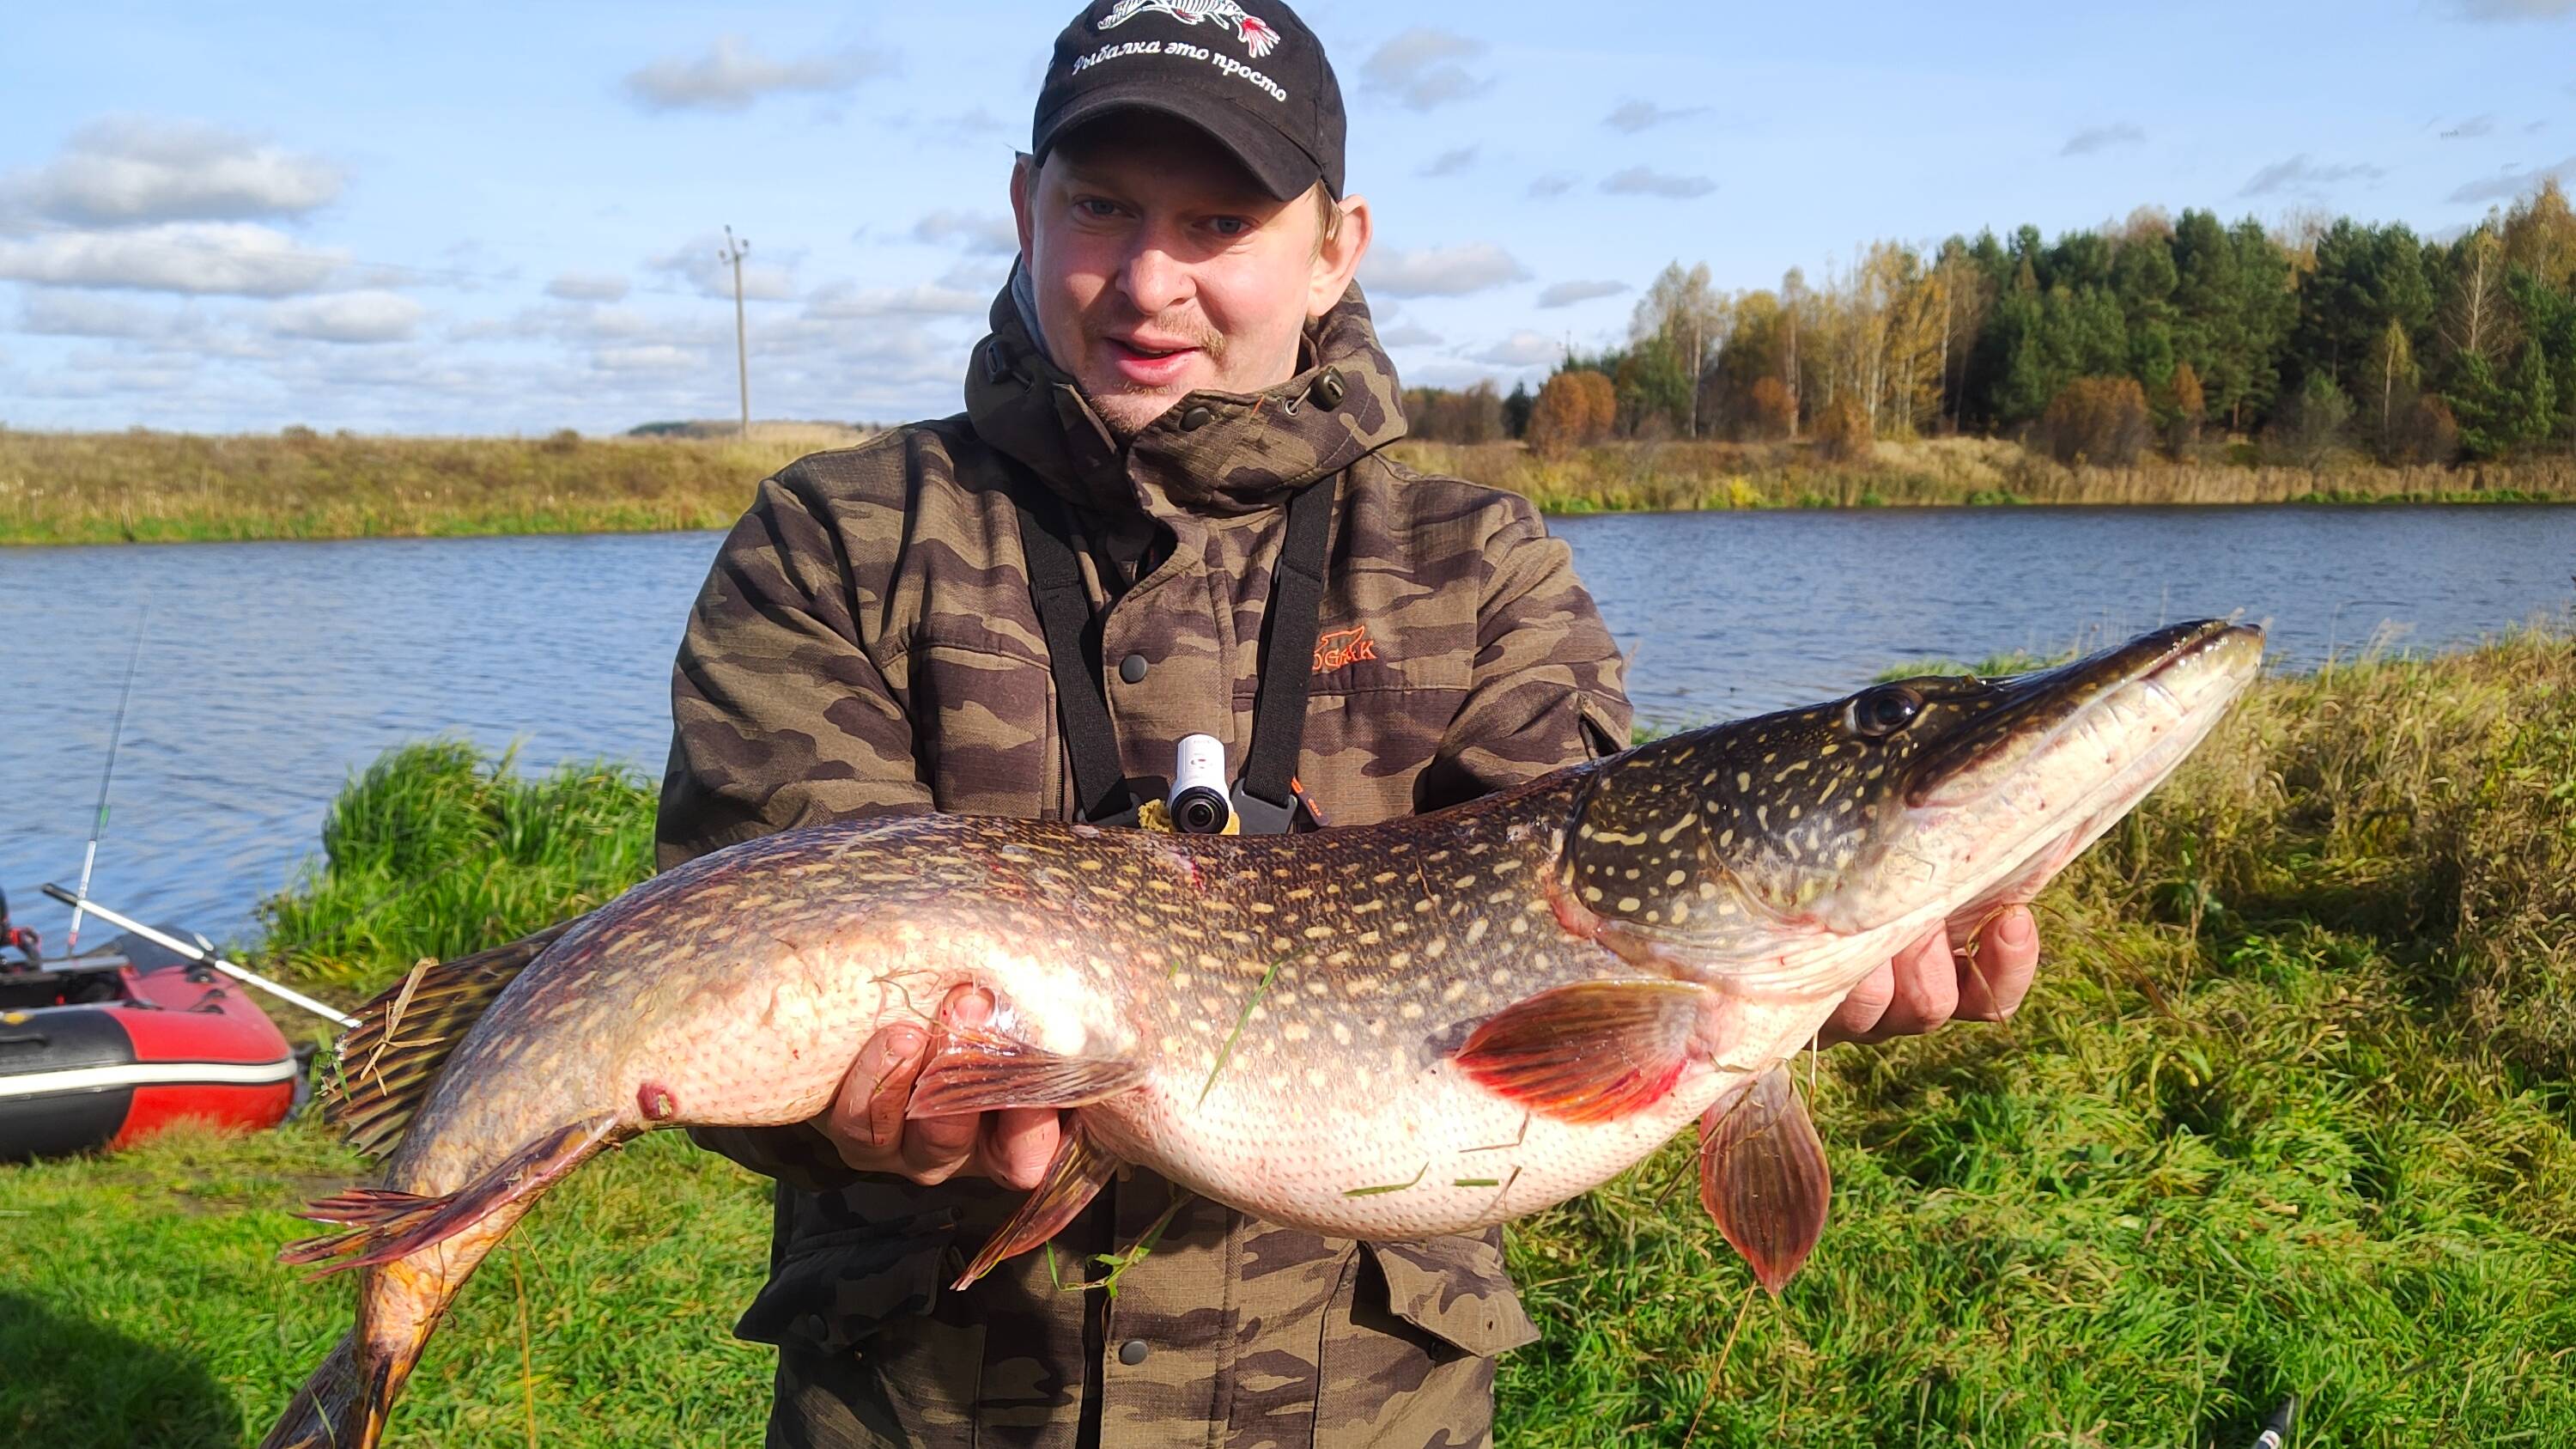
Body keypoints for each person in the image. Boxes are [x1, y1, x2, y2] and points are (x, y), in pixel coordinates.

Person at [654, 3, 2041, 1445]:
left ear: (1335, 248)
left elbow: (1593, 898)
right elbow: (730, 969)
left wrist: (1796, 985)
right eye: (1101, 207)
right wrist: (839, 1103)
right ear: (1024, 203)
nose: (1148, 280)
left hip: (1359, 1409)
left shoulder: (1472, 563)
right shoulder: (839, 539)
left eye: (1221, 222)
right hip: (926, 1407)